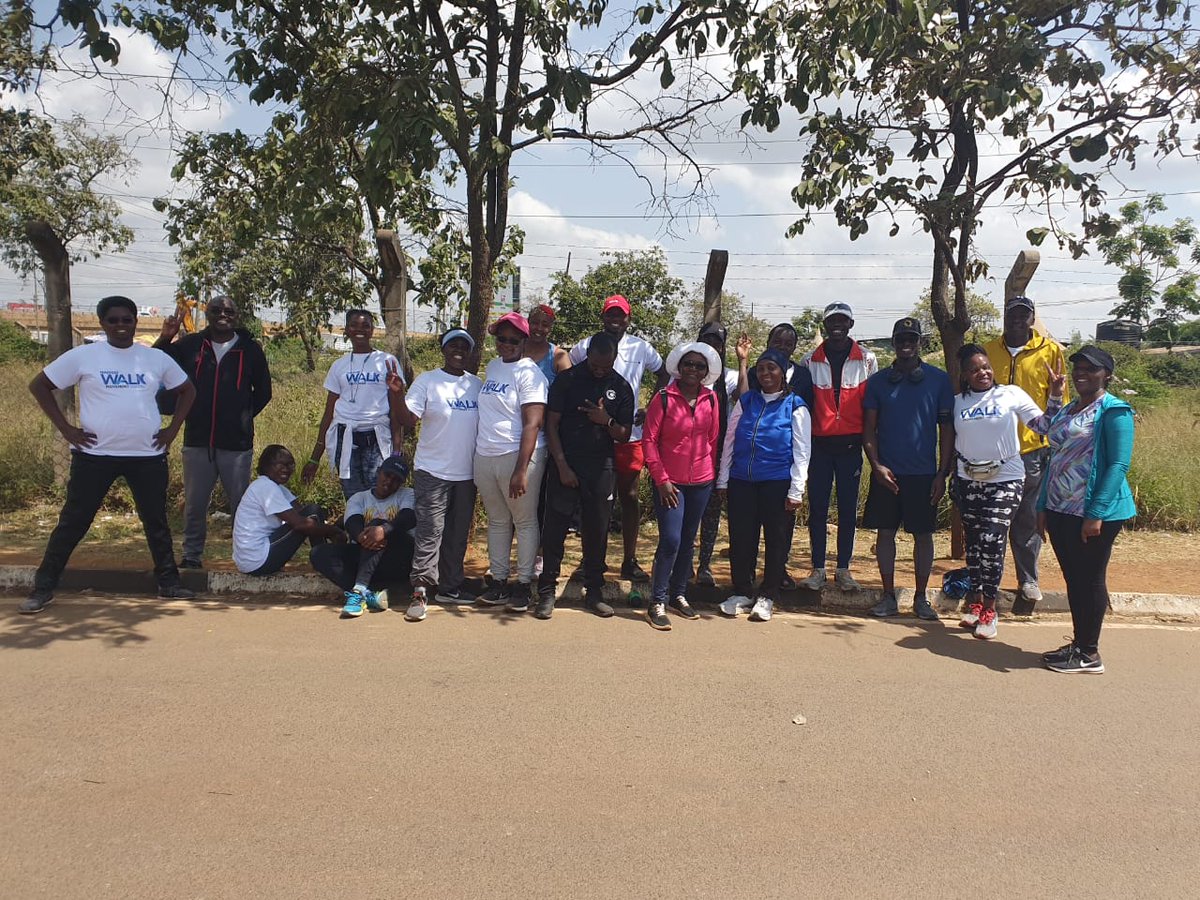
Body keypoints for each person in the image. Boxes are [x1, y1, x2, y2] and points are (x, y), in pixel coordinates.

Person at [21, 296, 198, 614]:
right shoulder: (84, 356)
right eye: (113, 320)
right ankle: (43, 587)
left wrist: (171, 431)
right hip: (95, 455)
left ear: (135, 322)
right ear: (102, 323)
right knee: (74, 522)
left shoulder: (154, 359)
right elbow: (39, 386)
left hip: (146, 455)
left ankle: (168, 583)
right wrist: (67, 429)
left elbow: (188, 390)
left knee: (156, 521)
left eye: (126, 320)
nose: (120, 326)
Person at [153, 295, 273, 569]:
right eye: (216, 310)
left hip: (236, 444)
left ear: (236, 315)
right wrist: (165, 338)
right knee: (195, 505)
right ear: (207, 314)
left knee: (241, 506)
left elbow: (264, 392)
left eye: (228, 311)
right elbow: (157, 361)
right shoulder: (192, 345)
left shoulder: (250, 349)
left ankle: (245, 557)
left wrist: (241, 416)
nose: (222, 315)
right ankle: (192, 556)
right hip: (197, 439)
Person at [953, 344, 1063, 640]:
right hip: (969, 479)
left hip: (1006, 479)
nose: (983, 373)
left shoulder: (1010, 394)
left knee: (992, 539)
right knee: (975, 545)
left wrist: (1055, 394)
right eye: (974, 369)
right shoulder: (957, 402)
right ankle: (975, 604)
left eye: (986, 367)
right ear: (964, 375)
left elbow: (1044, 425)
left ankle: (990, 609)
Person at [1037, 346, 1135, 674]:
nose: (1081, 373)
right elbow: (1049, 440)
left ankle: (1089, 654)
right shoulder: (1069, 408)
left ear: (1106, 374)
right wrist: (1042, 506)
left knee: (1090, 578)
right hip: (1060, 508)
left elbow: (1118, 465)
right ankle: (1079, 645)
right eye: (1078, 367)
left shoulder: (1113, 411)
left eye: (1090, 369)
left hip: (1094, 512)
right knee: (1073, 578)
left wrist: (1096, 513)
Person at [567, 294, 668, 585]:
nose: (614, 321)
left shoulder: (641, 346)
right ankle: (590, 560)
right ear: (603, 318)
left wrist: (650, 408)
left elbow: (662, 374)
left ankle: (629, 560)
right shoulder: (585, 346)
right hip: (592, 434)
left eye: (619, 316)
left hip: (629, 434)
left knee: (630, 496)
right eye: (610, 315)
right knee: (594, 499)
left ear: (628, 318)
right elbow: (569, 371)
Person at [861, 318, 955, 620]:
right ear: (893, 342)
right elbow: (869, 429)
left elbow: (947, 430)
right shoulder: (876, 383)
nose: (906, 344)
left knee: (924, 535)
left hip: (924, 473)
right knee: (885, 534)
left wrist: (942, 473)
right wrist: (876, 466)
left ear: (920, 343)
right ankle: (888, 596)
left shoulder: (939, 381)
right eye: (901, 339)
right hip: (887, 473)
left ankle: (920, 598)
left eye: (911, 339)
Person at [537, 332, 635, 619]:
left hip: (601, 467)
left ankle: (594, 592)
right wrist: (562, 465)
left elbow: (624, 435)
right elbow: (551, 426)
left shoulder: (621, 387)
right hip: (565, 465)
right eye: (595, 365)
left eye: (606, 366)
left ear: (614, 359)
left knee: (597, 531)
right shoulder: (567, 380)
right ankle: (546, 593)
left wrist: (607, 421)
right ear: (588, 355)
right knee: (554, 531)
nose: (600, 371)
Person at [386, 328, 482, 620]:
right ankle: (420, 591)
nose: (458, 351)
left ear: (470, 352)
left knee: (457, 534)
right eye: (452, 345)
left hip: (466, 474)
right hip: (433, 472)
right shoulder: (428, 381)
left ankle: (450, 587)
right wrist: (396, 395)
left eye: (464, 347)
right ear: (443, 349)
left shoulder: (477, 385)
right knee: (430, 533)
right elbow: (407, 420)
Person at [983, 295, 1069, 615]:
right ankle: (985, 582)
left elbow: (1060, 403)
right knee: (991, 522)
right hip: (992, 452)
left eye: (1024, 315)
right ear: (1005, 318)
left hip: (1032, 452)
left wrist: (1056, 445)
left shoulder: (1050, 352)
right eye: (1013, 315)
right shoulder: (988, 352)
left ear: (1032, 318)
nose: (1018, 321)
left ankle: (1028, 580)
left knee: (1027, 522)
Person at [716, 349, 812, 623]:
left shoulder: (796, 405)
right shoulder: (746, 402)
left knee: (776, 540)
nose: (766, 374)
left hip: (777, 482)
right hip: (742, 482)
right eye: (761, 369)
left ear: (783, 373)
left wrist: (796, 489)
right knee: (742, 539)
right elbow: (730, 441)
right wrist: (724, 478)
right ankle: (742, 591)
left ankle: (767, 595)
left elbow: (802, 451)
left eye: (772, 369)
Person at [643, 341, 723, 631]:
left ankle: (679, 594)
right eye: (688, 364)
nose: (693, 369)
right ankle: (657, 600)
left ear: (706, 372)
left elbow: (712, 440)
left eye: (699, 366)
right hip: (670, 483)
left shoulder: (711, 400)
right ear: (679, 366)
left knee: (689, 540)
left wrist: (710, 475)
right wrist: (661, 480)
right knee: (671, 541)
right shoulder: (664, 398)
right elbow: (649, 441)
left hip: (701, 482)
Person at [798, 302, 877, 593]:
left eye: (843, 321)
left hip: (850, 446)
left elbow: (871, 404)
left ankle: (843, 568)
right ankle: (818, 568)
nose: (837, 326)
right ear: (826, 323)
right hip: (819, 446)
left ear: (851, 325)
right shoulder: (810, 360)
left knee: (847, 510)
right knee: (817, 508)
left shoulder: (867, 359)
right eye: (832, 321)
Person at [474, 311, 548, 612]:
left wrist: (521, 469)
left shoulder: (529, 373)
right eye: (501, 338)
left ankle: (523, 585)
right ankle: (499, 582)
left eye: (513, 339)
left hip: (517, 456)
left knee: (525, 521)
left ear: (524, 341)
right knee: (498, 521)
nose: (506, 344)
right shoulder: (493, 367)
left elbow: (533, 423)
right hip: (486, 454)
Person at [302, 310, 404, 499]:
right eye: (354, 325)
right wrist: (314, 457)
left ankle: (376, 528)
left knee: (380, 497)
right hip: (346, 438)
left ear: (373, 330)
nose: (360, 330)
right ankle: (356, 528)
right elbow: (328, 413)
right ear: (346, 330)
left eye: (366, 326)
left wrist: (397, 450)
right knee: (354, 499)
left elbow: (395, 411)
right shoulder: (338, 365)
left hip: (376, 438)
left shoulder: (387, 362)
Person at [309, 456, 416, 618]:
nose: (389, 481)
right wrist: (362, 537)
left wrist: (382, 530)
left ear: (401, 484)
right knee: (318, 553)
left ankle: (358, 592)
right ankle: (370, 594)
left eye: (396, 480)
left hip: (398, 557)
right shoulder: (359, 498)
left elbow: (408, 518)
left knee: (377, 525)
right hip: (366, 558)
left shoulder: (408, 494)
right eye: (387, 475)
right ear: (379, 472)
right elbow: (352, 523)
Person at [233, 445, 345, 577]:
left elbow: (302, 512)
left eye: (291, 465)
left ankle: (323, 559)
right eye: (281, 465)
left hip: (253, 560)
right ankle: (326, 561)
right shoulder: (266, 487)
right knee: (312, 513)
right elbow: (301, 523)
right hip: (258, 560)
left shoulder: (276, 488)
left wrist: (327, 527)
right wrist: (334, 531)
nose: (287, 469)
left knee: (313, 511)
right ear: (267, 465)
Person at [693, 322, 742, 586]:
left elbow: (744, 395)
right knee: (688, 512)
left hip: (718, 454)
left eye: (717, 342)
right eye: (706, 340)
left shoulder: (729, 377)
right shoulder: (687, 373)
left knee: (711, 513)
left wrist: (743, 361)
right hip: (689, 453)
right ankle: (684, 563)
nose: (711, 346)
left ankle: (705, 566)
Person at [524, 303, 570, 386]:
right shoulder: (515, 349)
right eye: (535, 323)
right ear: (528, 322)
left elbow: (568, 390)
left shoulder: (559, 357)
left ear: (551, 327)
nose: (539, 328)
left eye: (545, 325)